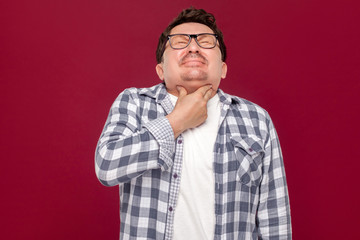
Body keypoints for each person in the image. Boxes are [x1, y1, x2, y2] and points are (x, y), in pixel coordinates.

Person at [95, 7, 292, 240]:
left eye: (207, 42)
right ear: (160, 69)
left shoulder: (256, 119)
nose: (193, 47)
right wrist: (176, 122)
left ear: (224, 68)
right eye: (179, 42)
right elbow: (106, 165)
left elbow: (274, 218)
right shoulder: (134, 103)